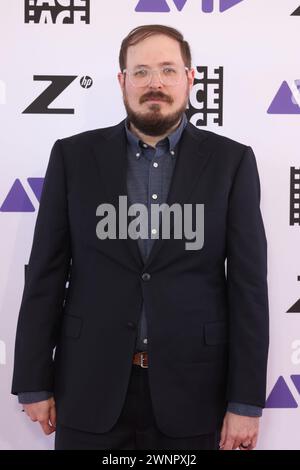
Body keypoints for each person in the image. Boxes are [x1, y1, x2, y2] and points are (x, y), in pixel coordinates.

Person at [11, 24, 269, 450]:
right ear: (122, 81)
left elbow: (248, 289)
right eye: (141, 71)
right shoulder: (73, 157)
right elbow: (45, 276)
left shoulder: (232, 163)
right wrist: (34, 381)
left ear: (190, 79)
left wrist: (245, 402)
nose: (155, 83)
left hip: (195, 392)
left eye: (168, 70)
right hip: (88, 388)